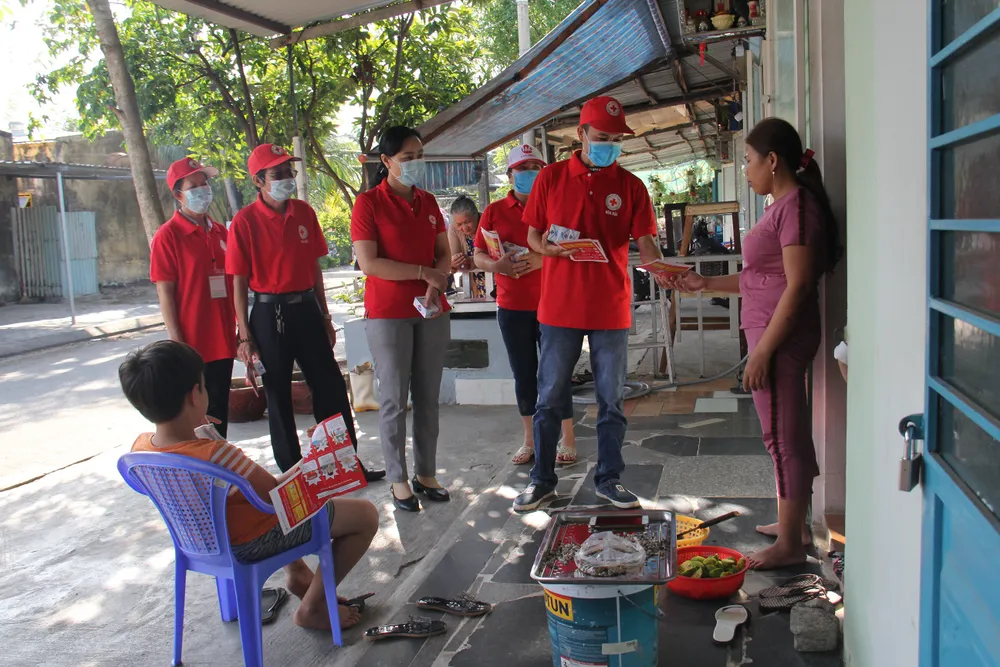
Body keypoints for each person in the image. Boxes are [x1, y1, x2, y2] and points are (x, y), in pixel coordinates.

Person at [665, 117, 842, 569]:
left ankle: (788, 545)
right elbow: (757, 278)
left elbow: (798, 286)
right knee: (789, 435)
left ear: (773, 160)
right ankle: (795, 527)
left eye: (747, 160)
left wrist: (762, 352)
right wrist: (704, 285)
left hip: (780, 340)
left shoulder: (797, 208)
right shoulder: (781, 206)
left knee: (781, 439)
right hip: (769, 334)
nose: (744, 169)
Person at [119, 340, 379, 630]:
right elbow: (274, 496)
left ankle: (297, 572)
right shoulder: (216, 454)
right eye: (204, 386)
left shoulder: (140, 450)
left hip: (199, 543)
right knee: (365, 515)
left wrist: (196, 426)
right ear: (196, 395)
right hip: (250, 542)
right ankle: (313, 607)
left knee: (248, 495)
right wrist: (313, 455)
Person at [512, 96, 671, 513]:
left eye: (616, 140)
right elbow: (532, 236)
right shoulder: (550, 179)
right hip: (559, 308)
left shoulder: (631, 186)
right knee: (549, 398)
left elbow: (647, 244)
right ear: (580, 135)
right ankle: (542, 481)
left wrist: (663, 269)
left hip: (611, 308)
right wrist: (546, 248)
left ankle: (609, 479)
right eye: (602, 138)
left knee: (611, 400)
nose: (609, 146)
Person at [226, 143, 385, 481]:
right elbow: (238, 282)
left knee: (329, 387)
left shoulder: (304, 213)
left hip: (307, 311)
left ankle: (345, 463)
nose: (286, 178)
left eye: (289, 172)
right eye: (277, 173)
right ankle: (293, 474)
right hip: (268, 316)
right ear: (258, 180)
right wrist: (244, 335)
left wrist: (326, 316)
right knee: (278, 396)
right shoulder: (244, 222)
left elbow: (314, 268)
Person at [351, 126, 452, 513]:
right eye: (407, 157)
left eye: (419, 155)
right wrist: (424, 273)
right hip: (389, 313)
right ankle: (398, 479)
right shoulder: (369, 204)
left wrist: (437, 281)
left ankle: (427, 473)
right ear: (387, 161)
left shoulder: (427, 203)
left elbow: (443, 251)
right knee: (394, 398)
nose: (415, 163)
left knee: (428, 396)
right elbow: (369, 262)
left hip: (430, 309)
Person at [473, 145, 577, 466]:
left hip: (553, 304)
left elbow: (572, 250)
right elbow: (478, 254)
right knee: (524, 374)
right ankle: (530, 440)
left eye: (536, 166)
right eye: (523, 167)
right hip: (512, 306)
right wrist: (497, 266)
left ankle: (568, 437)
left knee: (557, 373)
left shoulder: (555, 206)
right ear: (510, 174)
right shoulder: (493, 211)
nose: (530, 172)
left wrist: (540, 259)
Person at [150, 158, 236, 438]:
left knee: (219, 412)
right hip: (192, 344)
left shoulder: (221, 232)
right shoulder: (168, 236)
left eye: (205, 183)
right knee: (196, 420)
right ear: (178, 195)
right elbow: (165, 292)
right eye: (194, 186)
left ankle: (221, 469)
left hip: (222, 340)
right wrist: (177, 343)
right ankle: (200, 474)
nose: (203, 190)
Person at [448, 196, 488, 299]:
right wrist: (455, 263)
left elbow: (496, 255)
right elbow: (454, 257)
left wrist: (471, 260)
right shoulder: (454, 229)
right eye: (459, 224)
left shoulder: (488, 221)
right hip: (474, 284)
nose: (464, 228)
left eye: (467, 222)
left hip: (495, 279)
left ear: (476, 215)